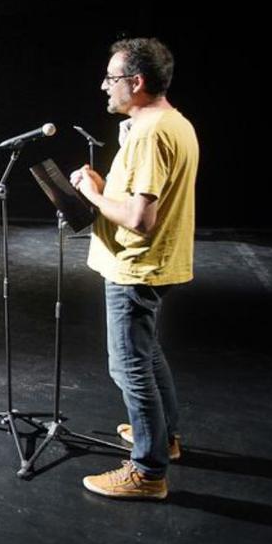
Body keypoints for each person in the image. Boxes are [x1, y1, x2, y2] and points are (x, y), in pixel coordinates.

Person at [70, 37, 199, 501]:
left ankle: (147, 470)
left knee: (129, 368)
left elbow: (141, 221)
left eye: (112, 78)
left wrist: (90, 193)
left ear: (136, 82)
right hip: (155, 263)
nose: (105, 86)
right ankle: (165, 438)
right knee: (147, 356)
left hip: (135, 266)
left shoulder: (149, 133)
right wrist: (105, 186)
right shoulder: (173, 123)